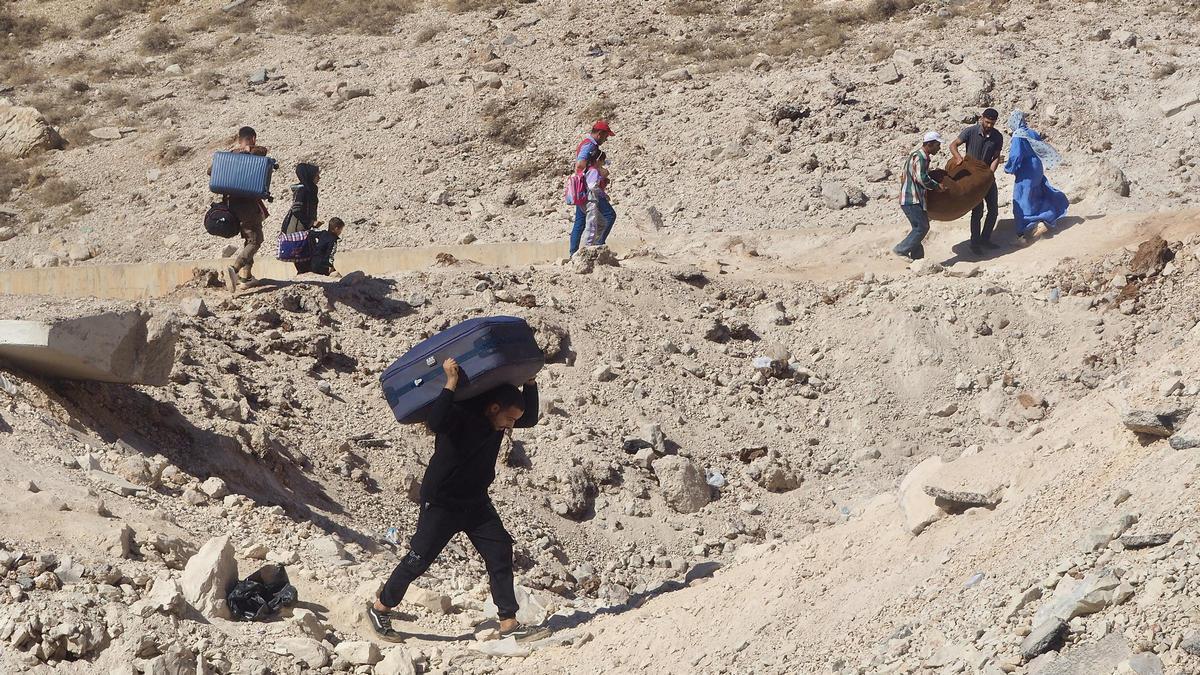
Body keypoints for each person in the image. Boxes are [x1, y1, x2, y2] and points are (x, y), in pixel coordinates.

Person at [367, 358, 548, 644]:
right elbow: (436, 421)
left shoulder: (499, 423)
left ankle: (508, 623)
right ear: (494, 408)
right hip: (442, 502)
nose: (512, 426)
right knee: (419, 558)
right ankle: (380, 608)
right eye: (509, 419)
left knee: (500, 551)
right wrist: (450, 383)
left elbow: (528, 418)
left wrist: (530, 382)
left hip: (475, 502)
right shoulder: (462, 415)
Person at [209, 126, 269, 293]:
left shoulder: (229, 156)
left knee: (248, 240)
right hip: (249, 207)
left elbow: (211, 171)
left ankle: (246, 277)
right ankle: (234, 270)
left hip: (232, 207)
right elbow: (263, 152)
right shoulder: (254, 153)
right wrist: (249, 150)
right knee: (255, 241)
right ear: (253, 138)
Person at [1004, 110, 1068, 240]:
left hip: (1026, 169)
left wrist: (1009, 168)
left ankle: (1028, 230)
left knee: (1022, 200)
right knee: (1036, 194)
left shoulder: (1018, 135)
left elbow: (1016, 155)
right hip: (1036, 167)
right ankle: (1044, 217)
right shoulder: (1031, 132)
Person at [950, 108, 1005, 255]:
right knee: (977, 211)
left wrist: (990, 174)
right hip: (972, 180)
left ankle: (985, 239)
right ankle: (974, 243)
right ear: (982, 118)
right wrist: (958, 158)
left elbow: (996, 157)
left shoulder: (997, 136)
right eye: (987, 122)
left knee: (993, 210)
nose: (989, 126)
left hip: (987, 178)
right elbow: (953, 145)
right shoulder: (970, 131)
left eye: (992, 123)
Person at [894, 131, 948, 261]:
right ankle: (901, 249)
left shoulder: (915, 155)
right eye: (937, 145)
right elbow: (921, 178)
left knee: (917, 227)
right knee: (923, 227)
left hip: (909, 198)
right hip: (912, 199)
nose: (939, 148)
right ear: (929, 144)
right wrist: (936, 186)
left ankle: (918, 259)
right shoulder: (922, 157)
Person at [569, 120, 615, 256]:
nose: (606, 139)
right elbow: (580, 165)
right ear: (600, 134)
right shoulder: (590, 145)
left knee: (580, 221)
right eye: (606, 136)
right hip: (590, 190)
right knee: (609, 216)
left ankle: (573, 254)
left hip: (582, 189)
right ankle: (597, 247)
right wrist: (595, 175)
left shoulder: (586, 144)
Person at [581, 149, 614, 249]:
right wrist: (603, 195)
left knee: (601, 223)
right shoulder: (594, 171)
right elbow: (592, 186)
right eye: (603, 161)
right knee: (591, 225)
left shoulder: (588, 169)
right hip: (591, 200)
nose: (603, 164)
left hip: (587, 199)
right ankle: (588, 248)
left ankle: (597, 244)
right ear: (598, 160)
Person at [282, 163, 320, 235]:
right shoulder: (302, 190)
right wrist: (310, 222)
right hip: (296, 231)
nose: (319, 178)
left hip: (303, 229)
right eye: (316, 175)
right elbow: (296, 210)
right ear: (310, 176)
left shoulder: (310, 190)